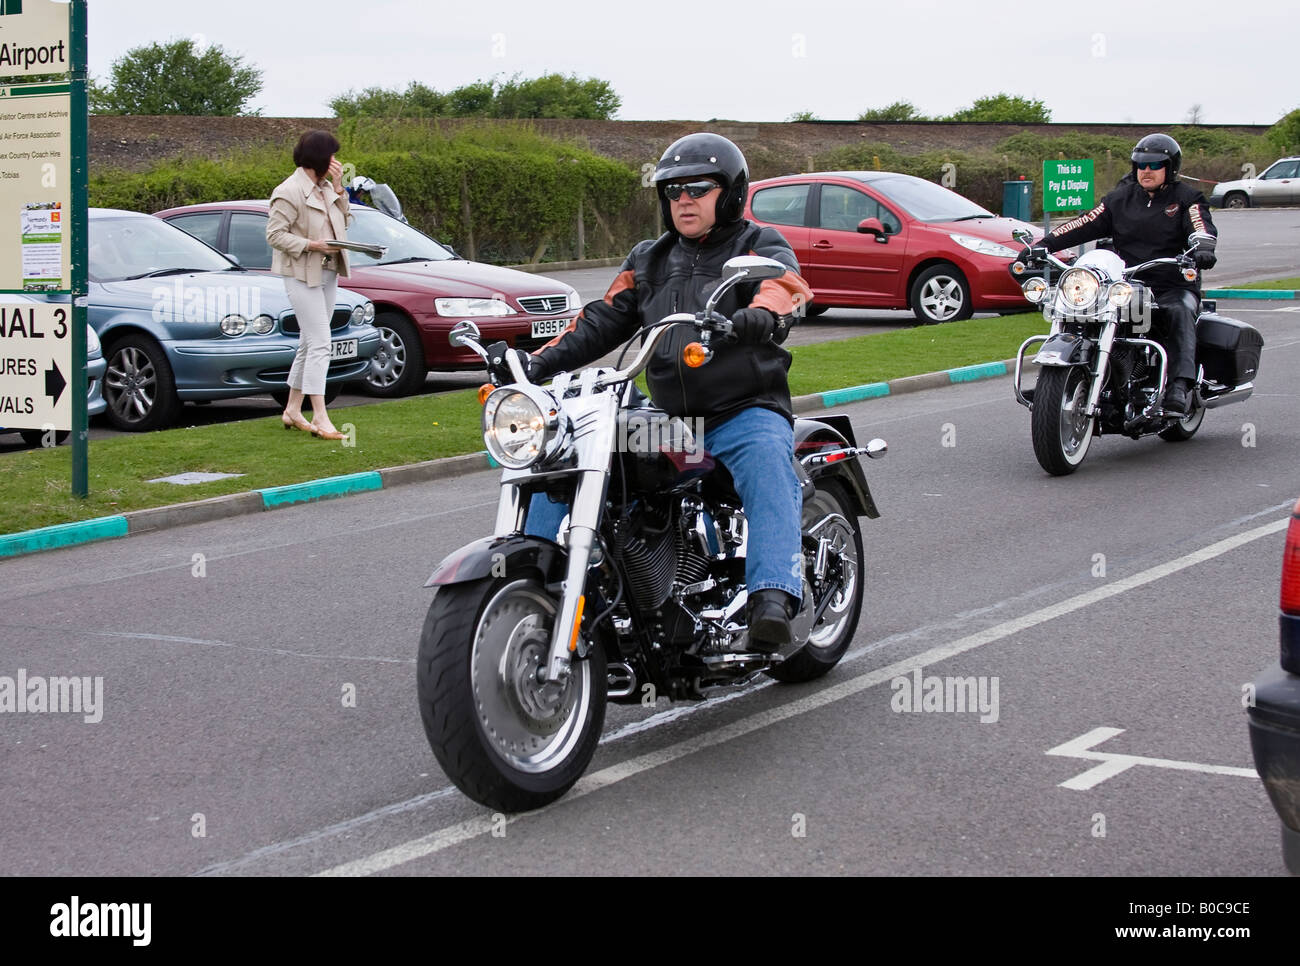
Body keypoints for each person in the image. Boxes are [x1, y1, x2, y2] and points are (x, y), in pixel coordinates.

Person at [492, 132, 814, 652]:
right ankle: (536, 577)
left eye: (698, 188)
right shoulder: (649, 257)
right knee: (565, 452)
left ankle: (772, 598)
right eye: (673, 191)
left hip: (742, 408)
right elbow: (600, 320)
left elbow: (784, 290)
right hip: (669, 417)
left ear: (729, 193)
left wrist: (755, 317)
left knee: (765, 462)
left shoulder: (760, 244)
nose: (684, 199)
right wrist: (534, 361)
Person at [1022, 133, 1217, 415]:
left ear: (1170, 168)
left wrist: (1203, 246)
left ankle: (1180, 384)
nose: (1146, 171)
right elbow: (1084, 223)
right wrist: (1041, 246)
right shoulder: (1119, 199)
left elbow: (1201, 225)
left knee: (1180, 310)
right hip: (1125, 284)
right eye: (1140, 165)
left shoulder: (1187, 199)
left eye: (1154, 165)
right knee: (1078, 311)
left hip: (1170, 282)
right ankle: (1054, 384)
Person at [266, 129, 352, 440]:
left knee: (309, 342)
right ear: (318, 157)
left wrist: (340, 188)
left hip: (328, 272)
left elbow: (346, 220)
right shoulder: (289, 190)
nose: (335, 162)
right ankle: (320, 416)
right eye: (330, 156)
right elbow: (274, 235)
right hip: (301, 273)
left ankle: (291, 409)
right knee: (320, 343)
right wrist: (311, 245)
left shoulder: (325, 187)